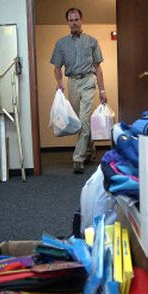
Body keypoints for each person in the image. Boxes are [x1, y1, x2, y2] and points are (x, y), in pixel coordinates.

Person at [50, 8, 107, 174]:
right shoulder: (61, 44)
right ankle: (90, 150)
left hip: (89, 81)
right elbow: (56, 67)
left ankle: (78, 159)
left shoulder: (92, 41)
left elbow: (98, 68)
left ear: (81, 20)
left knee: (84, 119)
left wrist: (102, 90)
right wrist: (59, 81)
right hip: (72, 83)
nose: (74, 22)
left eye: (76, 19)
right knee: (79, 121)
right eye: (70, 20)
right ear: (67, 22)